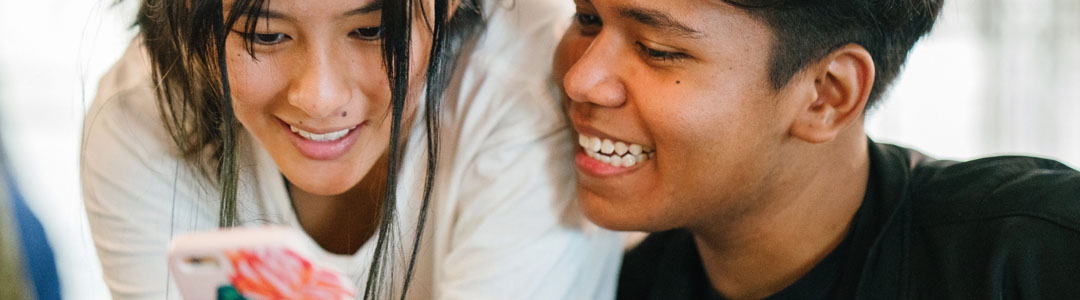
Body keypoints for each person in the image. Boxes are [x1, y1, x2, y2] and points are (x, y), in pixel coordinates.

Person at [82, 0, 622, 299]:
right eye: (266, 37)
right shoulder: (143, 116)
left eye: (372, 30)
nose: (319, 98)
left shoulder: (525, 96)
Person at [553, 0, 1080, 299]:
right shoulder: (625, 286)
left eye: (656, 49)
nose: (580, 79)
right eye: (587, 19)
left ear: (827, 94)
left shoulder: (1032, 257)